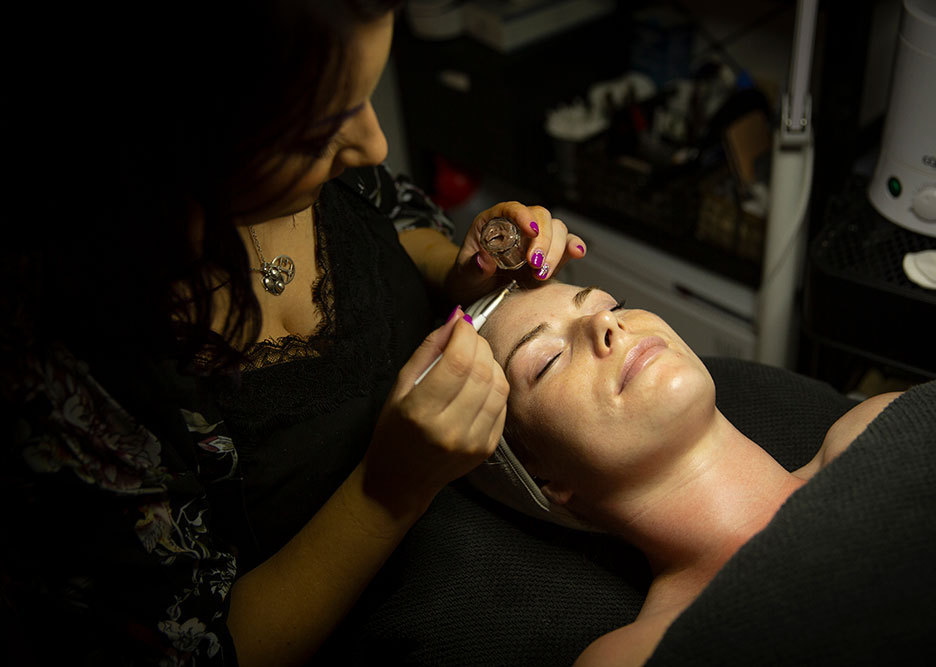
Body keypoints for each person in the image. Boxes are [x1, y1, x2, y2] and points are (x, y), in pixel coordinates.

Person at [1, 2, 586, 665]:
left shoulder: (323, 164)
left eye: (364, 98)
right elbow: (205, 648)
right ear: (175, 146)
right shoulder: (58, 377)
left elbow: (397, 230)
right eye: (316, 137)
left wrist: (464, 272)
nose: (374, 145)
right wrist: (390, 487)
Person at [469, 280, 906, 666]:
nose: (605, 322)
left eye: (611, 304)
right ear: (546, 478)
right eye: (548, 360)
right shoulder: (637, 655)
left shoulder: (883, 426)